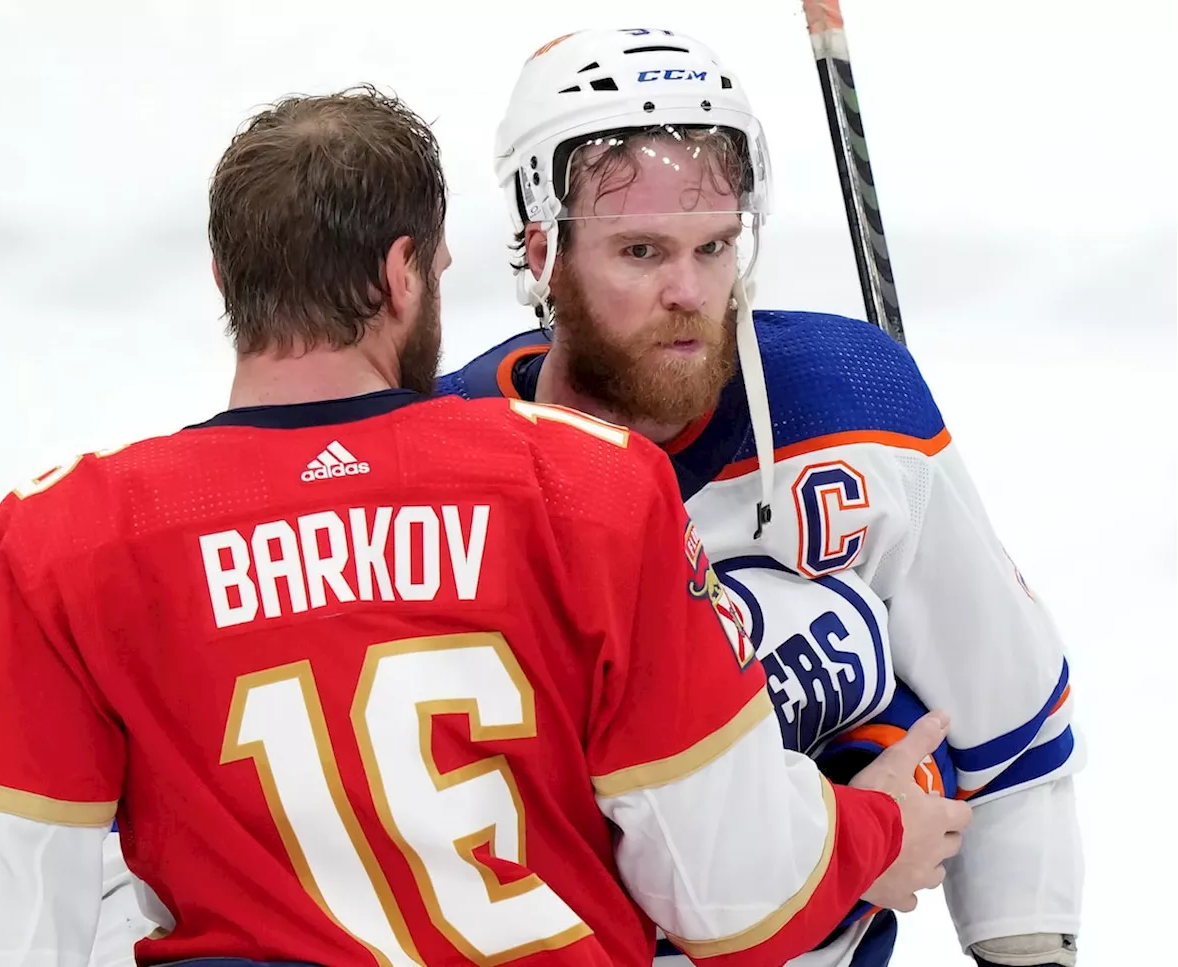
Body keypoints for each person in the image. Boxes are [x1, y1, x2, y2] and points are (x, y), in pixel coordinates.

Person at [0, 86, 970, 967]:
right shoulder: (590, 489)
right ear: (403, 272)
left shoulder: (62, 541)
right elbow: (737, 899)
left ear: (225, 279)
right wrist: (876, 829)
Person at [437, 27, 1085, 967]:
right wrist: (848, 840)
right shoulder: (447, 454)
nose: (689, 291)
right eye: (642, 251)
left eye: (715, 246)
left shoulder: (853, 400)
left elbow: (1010, 721)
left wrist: (1024, 948)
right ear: (542, 250)